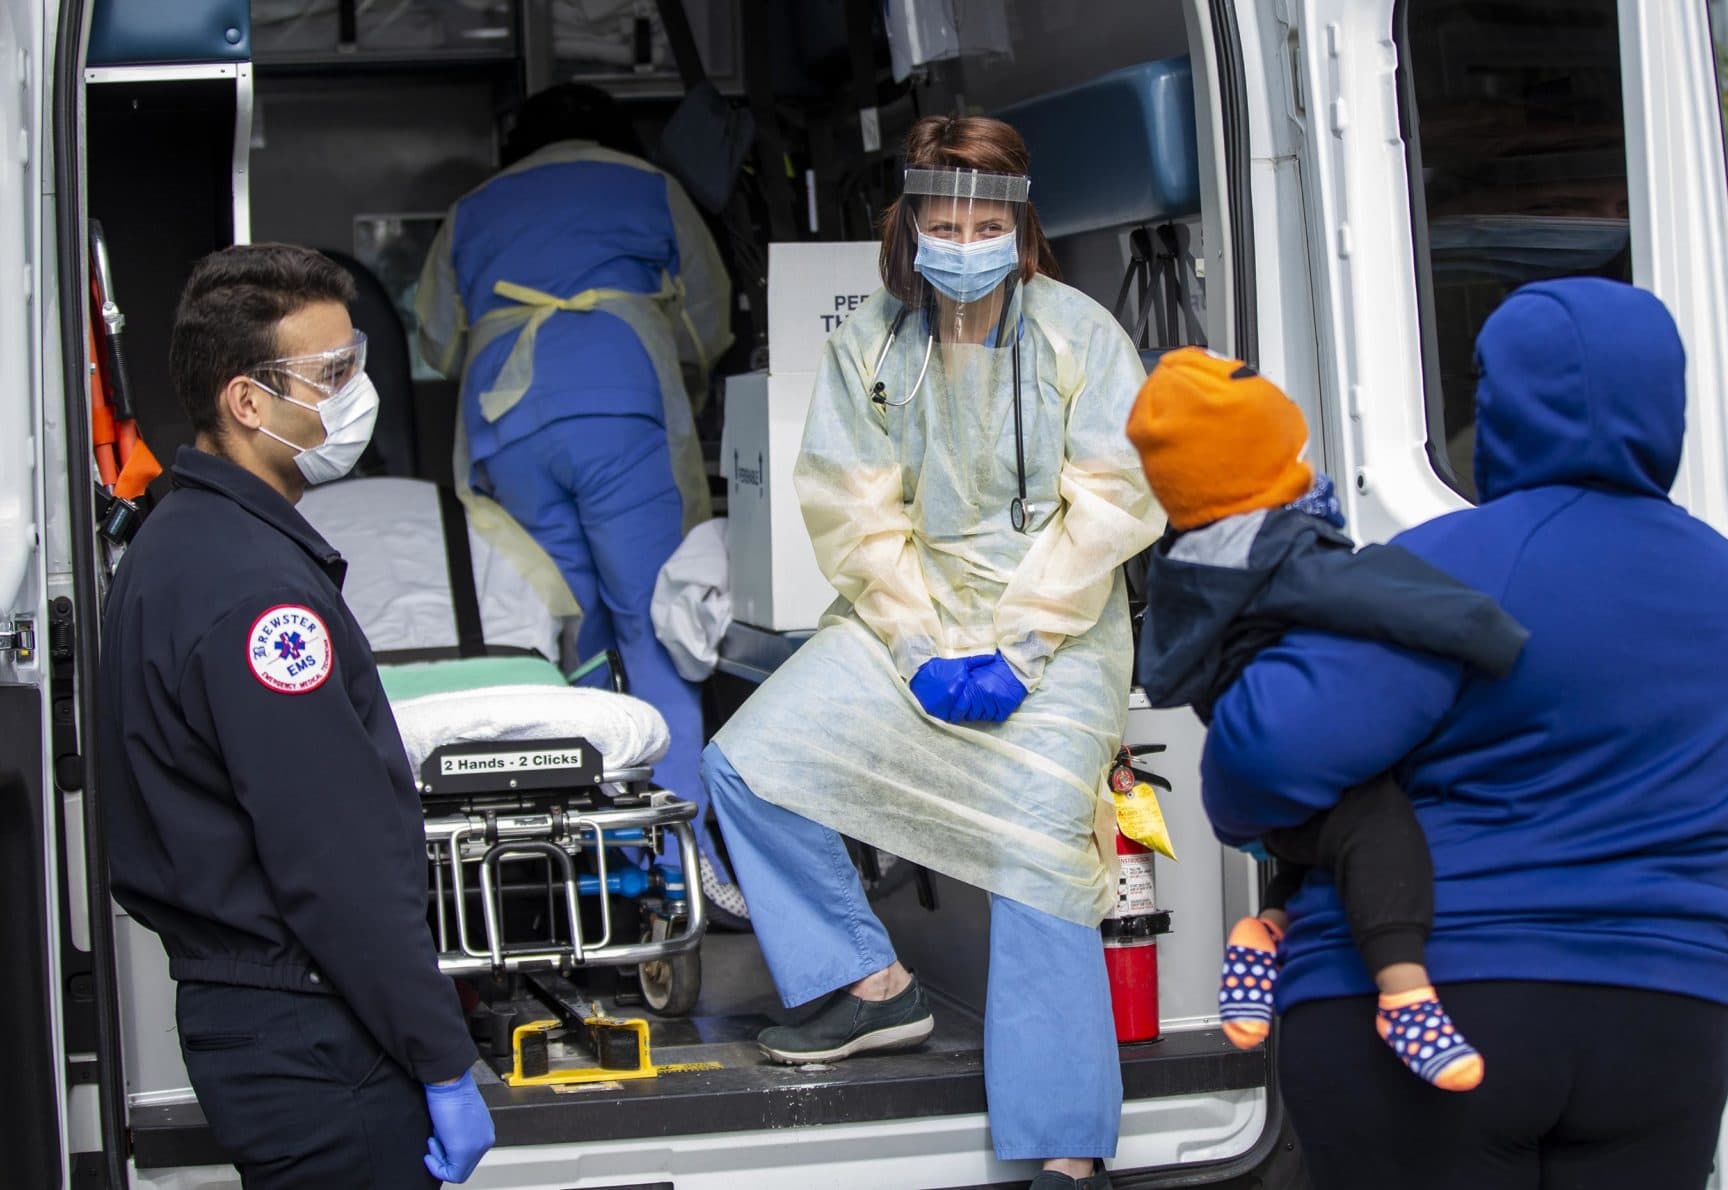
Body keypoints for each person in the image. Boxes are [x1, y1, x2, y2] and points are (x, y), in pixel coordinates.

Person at [1200, 278, 1728, 1189]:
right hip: (1669, 1017)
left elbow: (1254, 768)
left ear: (1505, 401)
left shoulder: (1456, 561)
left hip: (1444, 1002)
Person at [699, 115, 1165, 1190]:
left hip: (1061, 618)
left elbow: (1111, 503)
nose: (964, 240)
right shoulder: (874, 337)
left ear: (1019, 223)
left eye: (985, 220)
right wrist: (915, 644)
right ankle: (869, 983)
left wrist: (1024, 643)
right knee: (751, 757)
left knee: (1041, 852)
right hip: (910, 609)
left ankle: (1064, 1145)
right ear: (910, 222)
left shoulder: (1079, 333)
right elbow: (854, 512)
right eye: (943, 220)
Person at [97, 245, 494, 1188]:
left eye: (355, 359)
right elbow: (334, 861)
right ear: (247, 402)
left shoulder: (182, 543)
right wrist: (441, 1056)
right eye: (332, 375)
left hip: (268, 1022)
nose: (358, 392)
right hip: (320, 1039)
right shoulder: (257, 596)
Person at [1127, 347, 1531, 1091]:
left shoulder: (1192, 557)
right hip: (1292, 771)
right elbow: (1383, 595)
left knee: (1327, 842)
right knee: (1379, 828)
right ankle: (1404, 990)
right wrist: (1493, 635)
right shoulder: (1278, 549)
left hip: (1255, 797)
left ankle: (1267, 930)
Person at [414, 83, 741, 919]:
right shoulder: (649, 185)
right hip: (624, 407)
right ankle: (677, 856)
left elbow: (438, 340)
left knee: (565, 635)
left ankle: (578, 855)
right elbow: (709, 324)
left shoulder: (473, 207)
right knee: (658, 624)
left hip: (507, 426)